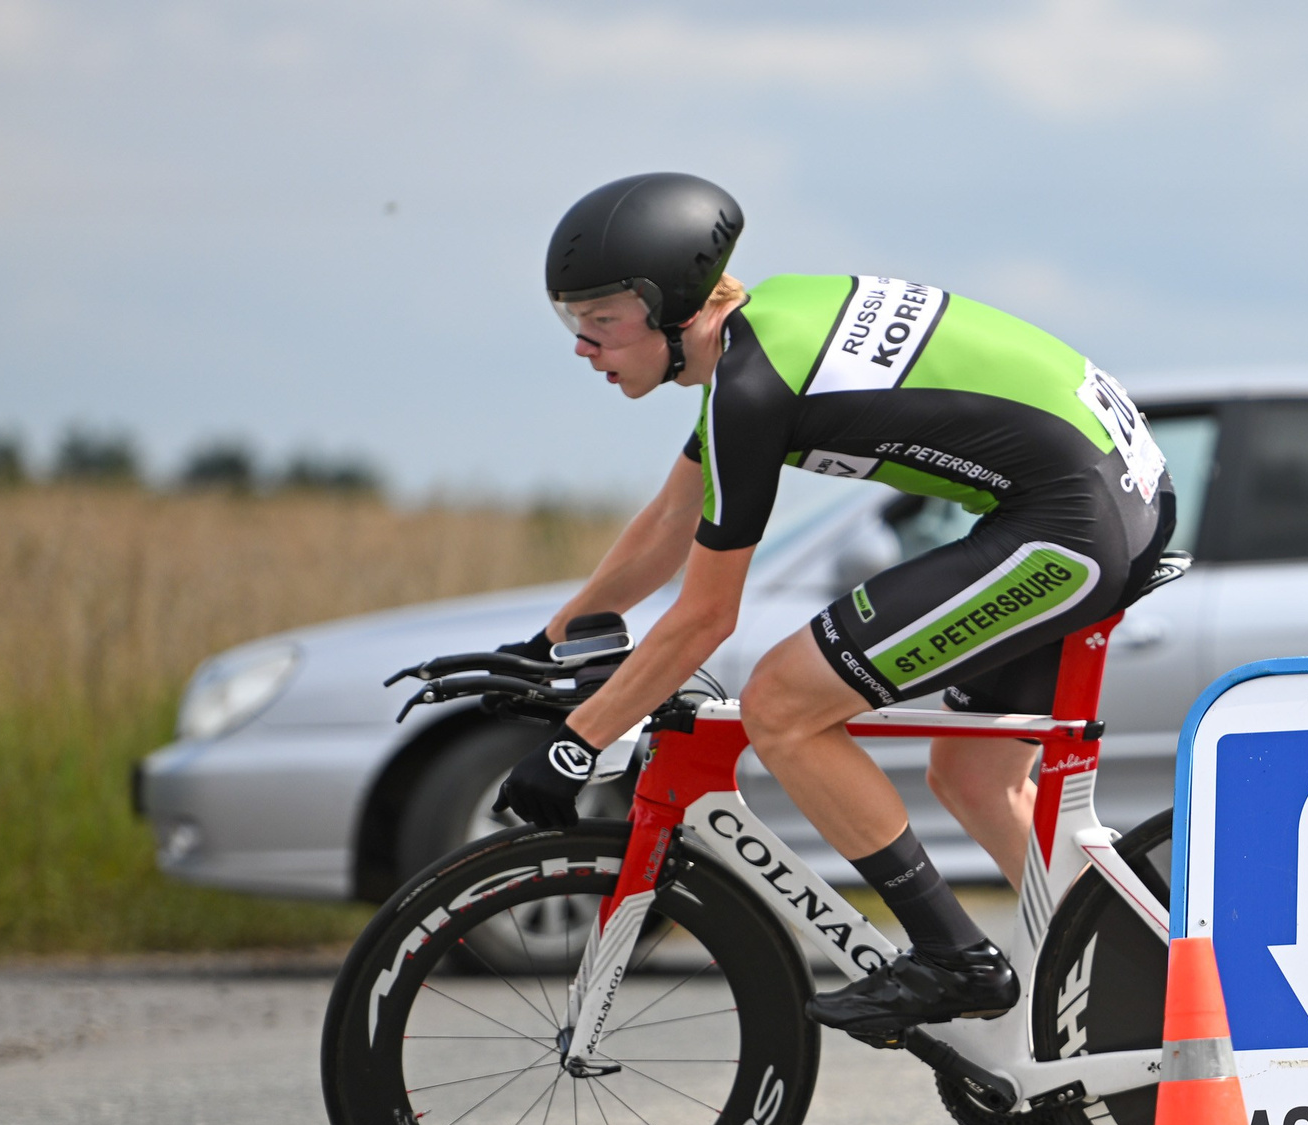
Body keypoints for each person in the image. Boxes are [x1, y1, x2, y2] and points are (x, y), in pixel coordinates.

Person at [494, 172, 1174, 1035]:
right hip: (1099, 496)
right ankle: (1144, 985)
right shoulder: (756, 339)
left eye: (600, 322)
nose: (584, 348)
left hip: (1072, 523)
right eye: (572, 324)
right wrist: (548, 642)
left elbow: (706, 617)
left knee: (783, 702)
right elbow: (671, 520)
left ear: (670, 306)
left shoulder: (750, 387)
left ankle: (953, 957)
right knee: (970, 777)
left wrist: (576, 742)